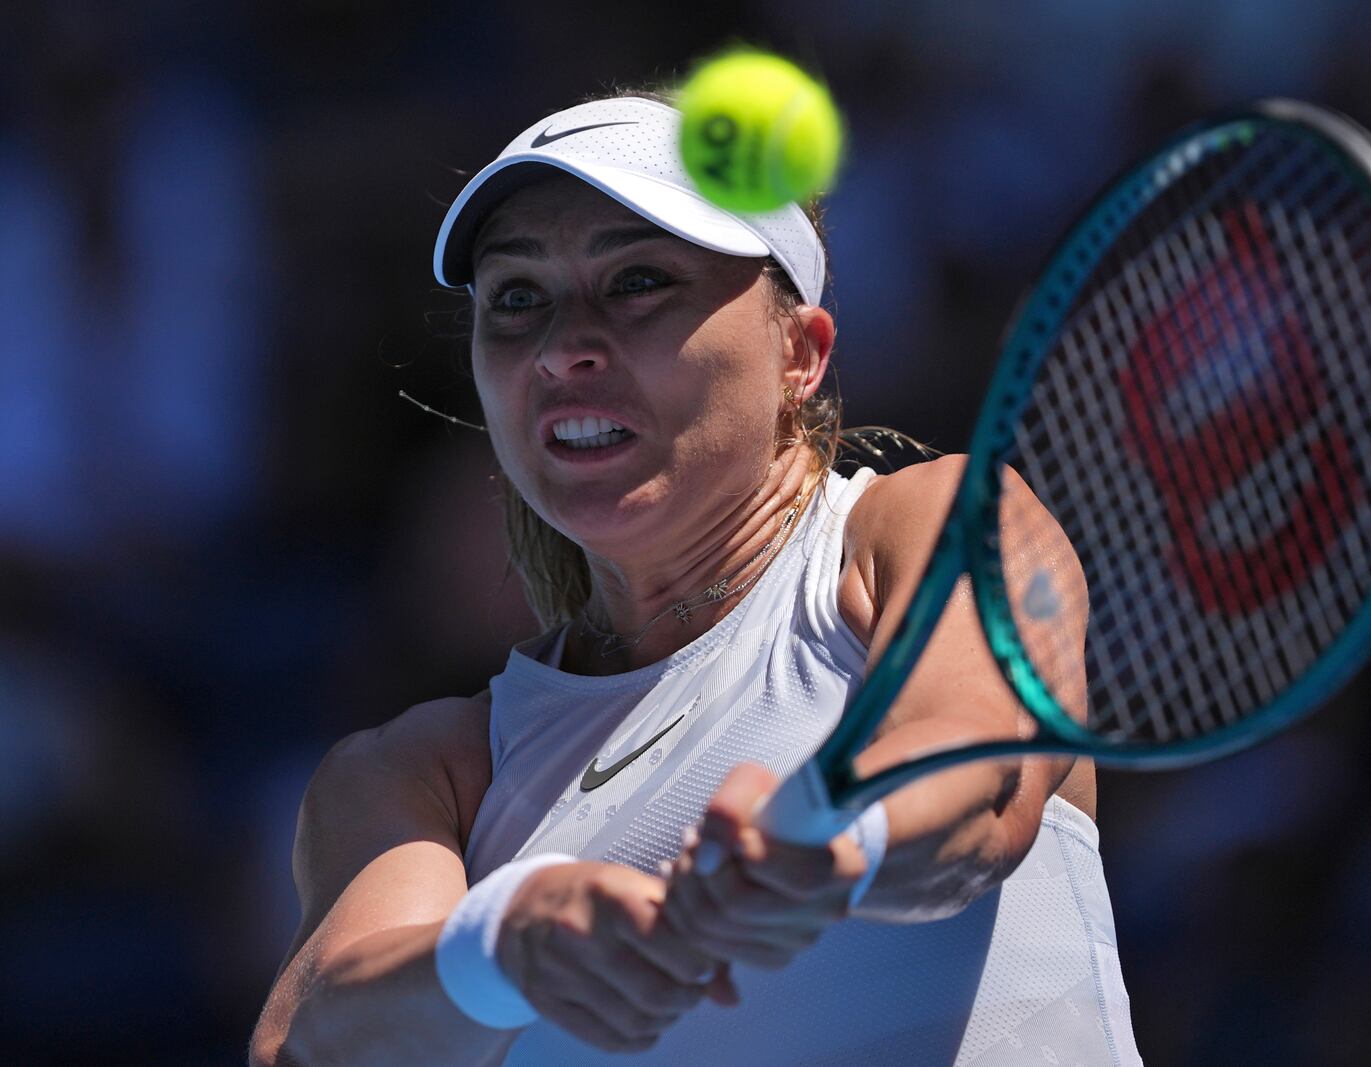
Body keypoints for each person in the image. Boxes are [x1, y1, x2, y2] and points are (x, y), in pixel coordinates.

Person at [249, 91, 1141, 1067]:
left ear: (798, 351)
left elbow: (980, 775)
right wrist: (505, 942)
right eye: (516, 298)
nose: (560, 347)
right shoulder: (425, 774)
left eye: (637, 279)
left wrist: (836, 844)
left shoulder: (929, 523)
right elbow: (310, 1039)